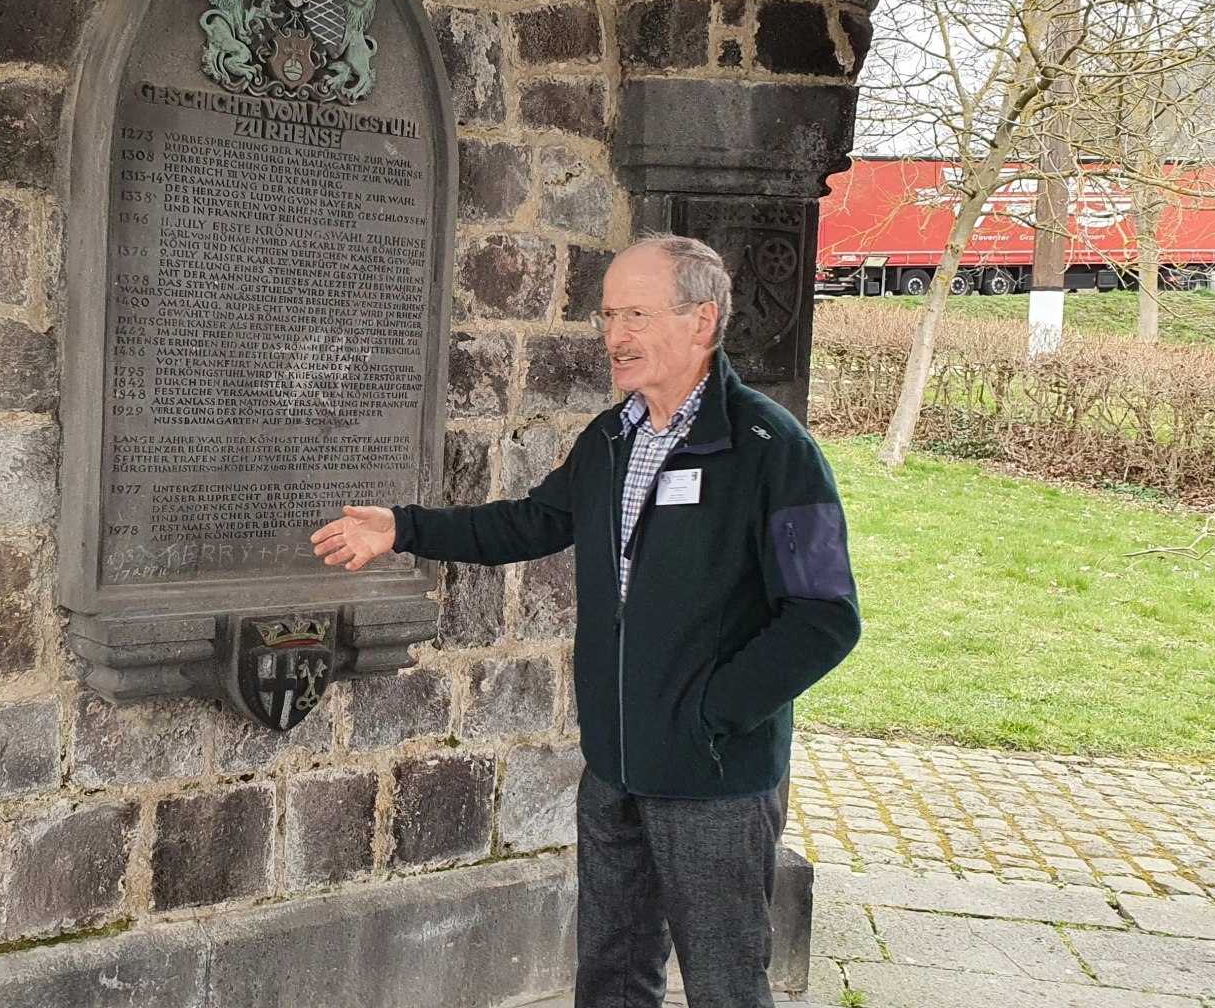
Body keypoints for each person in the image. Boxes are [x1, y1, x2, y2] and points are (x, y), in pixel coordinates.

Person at [312, 234, 860, 1008]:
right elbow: (529, 523)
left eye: (637, 314)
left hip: (712, 780)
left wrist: (710, 715)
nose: (615, 336)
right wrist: (403, 528)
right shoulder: (610, 439)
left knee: (726, 989)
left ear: (702, 321)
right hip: (614, 770)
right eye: (607, 315)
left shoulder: (773, 449)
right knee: (610, 979)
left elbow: (825, 617)